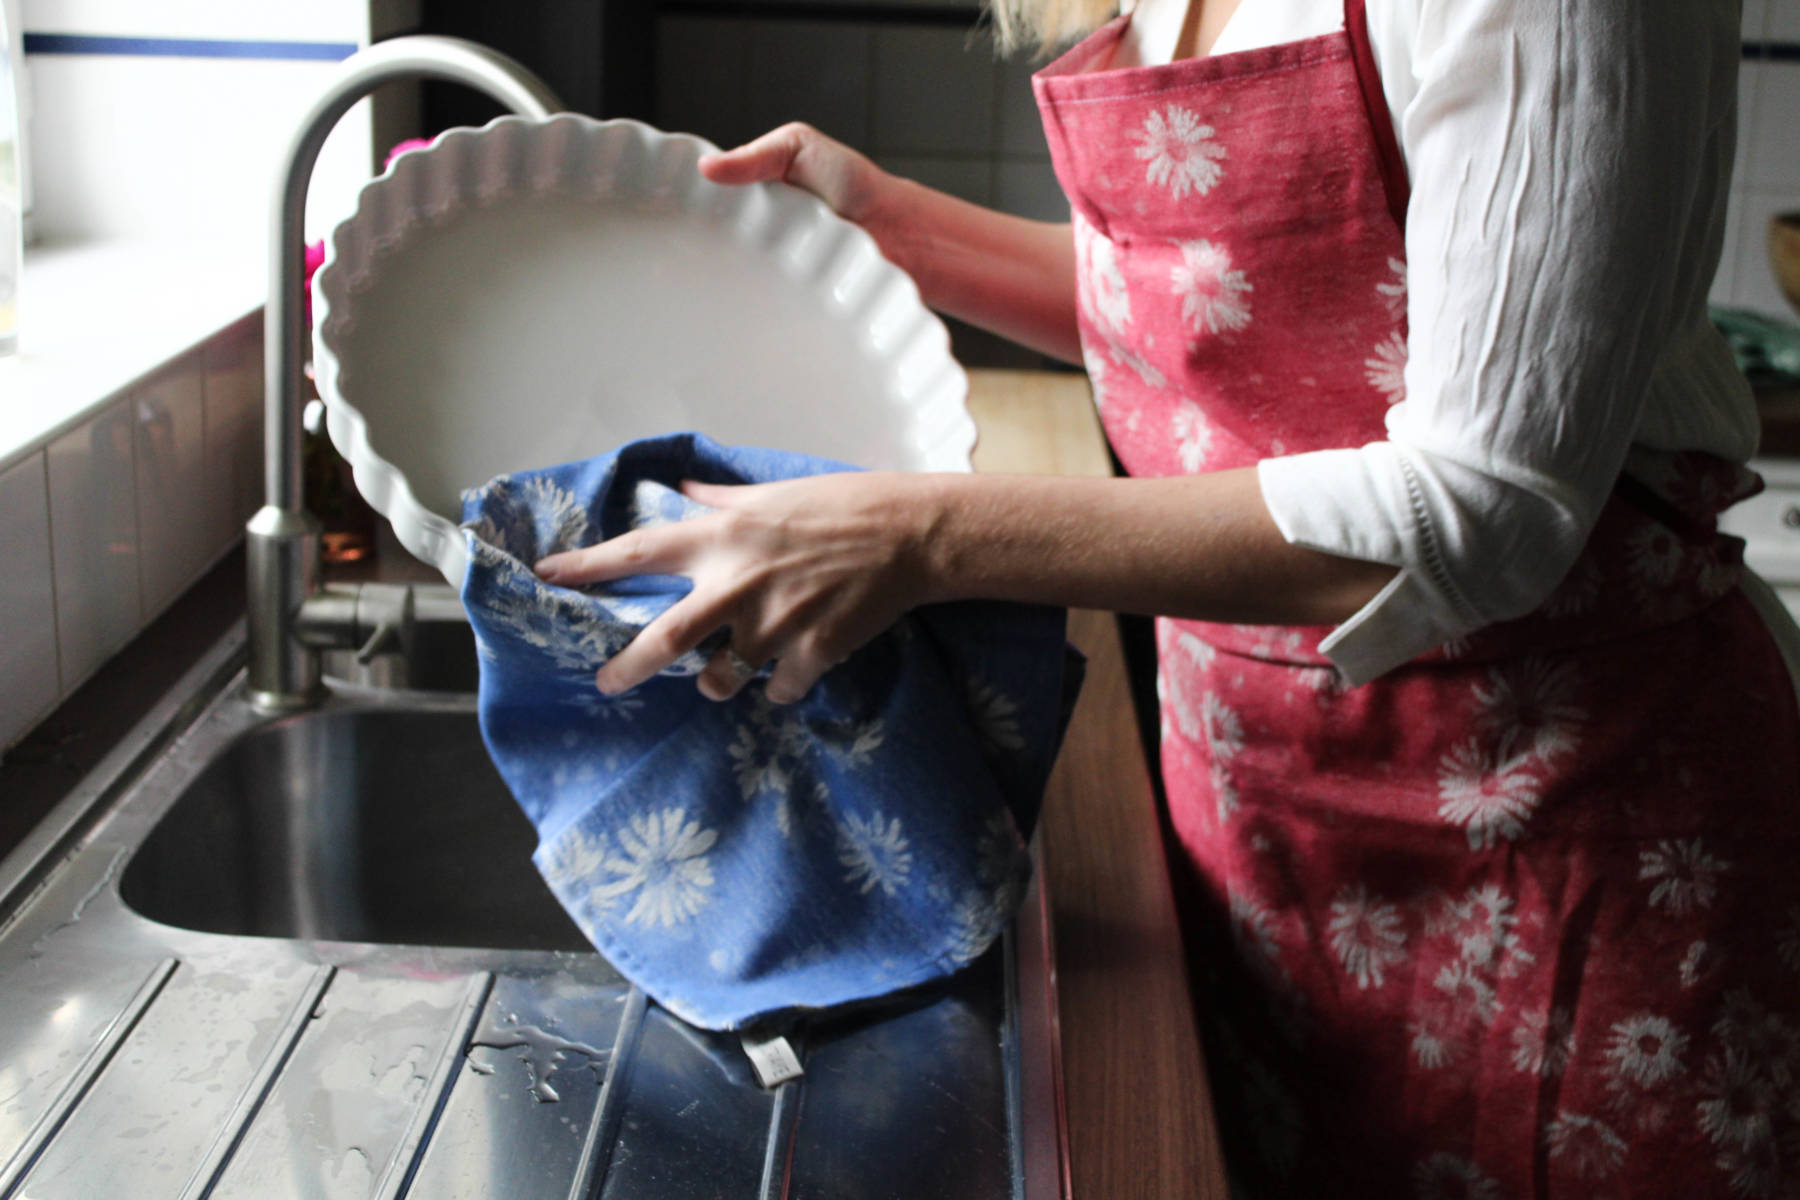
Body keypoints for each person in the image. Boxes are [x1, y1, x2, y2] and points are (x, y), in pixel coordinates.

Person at [533, 0, 1800, 1193]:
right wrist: (893, 234)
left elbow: (1485, 507)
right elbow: (1213, 312)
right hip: (1263, 819)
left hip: (1566, 835)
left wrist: (921, 534)